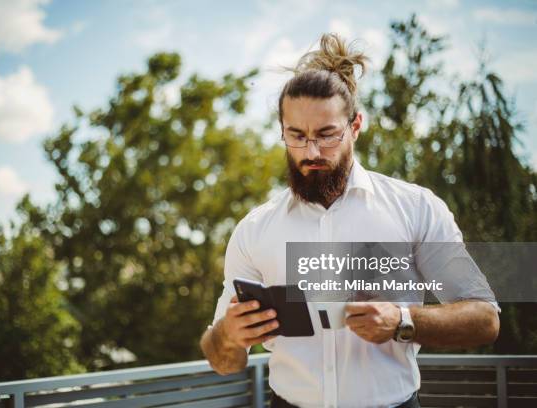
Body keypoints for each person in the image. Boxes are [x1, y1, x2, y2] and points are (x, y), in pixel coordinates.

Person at [199, 33, 500, 408]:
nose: (311, 151)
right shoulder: (254, 230)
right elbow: (222, 359)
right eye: (297, 136)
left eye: (327, 135)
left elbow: (484, 319)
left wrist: (403, 320)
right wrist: (227, 334)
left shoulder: (416, 208)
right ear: (282, 131)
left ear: (355, 126)